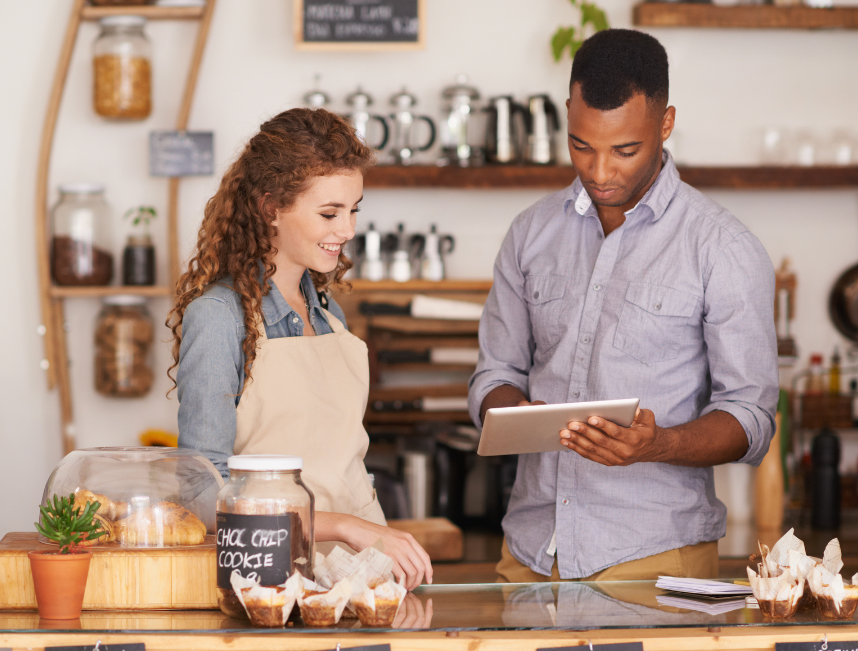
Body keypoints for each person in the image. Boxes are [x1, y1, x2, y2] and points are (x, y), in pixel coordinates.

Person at [468, 29, 778, 582]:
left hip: (656, 561)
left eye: (625, 150)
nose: (600, 171)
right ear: (568, 114)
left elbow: (751, 417)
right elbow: (495, 374)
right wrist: (520, 417)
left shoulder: (723, 248)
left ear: (666, 124)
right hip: (529, 556)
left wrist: (659, 444)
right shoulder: (530, 234)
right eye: (581, 145)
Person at [169, 107, 432, 589]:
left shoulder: (331, 317)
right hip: (270, 579)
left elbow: (343, 466)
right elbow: (203, 494)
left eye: (353, 210)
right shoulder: (221, 316)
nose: (347, 230)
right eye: (329, 213)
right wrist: (345, 526)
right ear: (271, 208)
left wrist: (372, 537)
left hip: (361, 574)